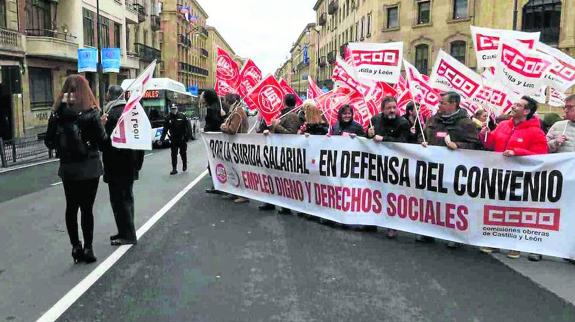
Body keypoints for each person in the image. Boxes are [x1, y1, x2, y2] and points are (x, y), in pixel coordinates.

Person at [44, 74, 106, 264]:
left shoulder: (57, 113)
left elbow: (49, 142)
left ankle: (75, 246)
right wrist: (101, 125)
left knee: (71, 207)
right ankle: (88, 248)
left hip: (68, 168)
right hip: (90, 167)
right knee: (87, 209)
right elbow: (103, 143)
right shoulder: (92, 112)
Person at [479, 96, 548, 260]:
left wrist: (517, 152)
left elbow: (542, 156)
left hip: (520, 179)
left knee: (515, 212)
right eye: (514, 103)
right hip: (498, 175)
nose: (513, 106)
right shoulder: (503, 125)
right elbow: (490, 145)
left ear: (526, 111)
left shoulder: (536, 132)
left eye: (518, 105)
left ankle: (513, 245)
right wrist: (485, 135)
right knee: (496, 208)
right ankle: (494, 241)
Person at [420, 91, 481, 247]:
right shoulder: (433, 119)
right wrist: (423, 141)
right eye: (439, 102)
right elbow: (423, 136)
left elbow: (475, 145)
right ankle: (428, 232)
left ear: (454, 104)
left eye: (443, 103)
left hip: (453, 171)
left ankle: (454, 236)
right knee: (431, 200)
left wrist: (458, 146)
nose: (439, 105)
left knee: (453, 203)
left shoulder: (466, 123)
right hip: (433, 168)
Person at [101, 85, 144, 246]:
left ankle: (128, 235)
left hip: (116, 166)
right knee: (127, 199)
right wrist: (138, 164)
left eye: (106, 93)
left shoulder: (111, 115)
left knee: (119, 201)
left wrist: (101, 126)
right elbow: (140, 140)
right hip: (130, 164)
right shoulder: (132, 112)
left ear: (110, 96)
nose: (105, 96)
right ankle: (124, 231)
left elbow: (105, 143)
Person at [367, 96, 411, 238]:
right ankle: (371, 221)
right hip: (377, 164)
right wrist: (368, 134)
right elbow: (367, 138)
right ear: (382, 110)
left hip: (395, 166)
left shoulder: (403, 123)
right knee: (375, 192)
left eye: (394, 107)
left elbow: (404, 142)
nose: (392, 110)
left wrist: (384, 139)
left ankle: (392, 225)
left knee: (392, 196)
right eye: (389, 108)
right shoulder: (375, 120)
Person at [259, 94, 303, 214]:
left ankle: (286, 206)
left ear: (284, 102)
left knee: (284, 180)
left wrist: (276, 126)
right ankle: (271, 202)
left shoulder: (292, 116)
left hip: (285, 153)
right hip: (277, 151)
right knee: (272, 177)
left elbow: (291, 135)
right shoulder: (283, 114)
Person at [546, 95, 575, 263]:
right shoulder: (558, 126)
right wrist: (554, 143)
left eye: (570, 107)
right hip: (560, 181)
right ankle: (547, 246)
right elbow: (542, 148)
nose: (565, 110)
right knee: (558, 214)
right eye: (565, 107)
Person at [220, 97, 249, 204]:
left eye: (225, 102)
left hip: (237, 145)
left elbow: (232, 130)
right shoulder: (236, 111)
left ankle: (243, 195)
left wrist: (223, 127)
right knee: (233, 169)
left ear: (228, 102)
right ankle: (235, 191)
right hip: (236, 145)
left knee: (238, 169)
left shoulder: (237, 112)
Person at [203, 89, 225, 194]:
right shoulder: (219, 107)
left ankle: (217, 185)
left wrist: (206, 128)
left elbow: (216, 123)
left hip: (213, 139)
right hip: (219, 139)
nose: (202, 98)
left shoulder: (211, 109)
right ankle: (219, 184)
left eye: (204, 96)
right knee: (218, 161)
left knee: (213, 162)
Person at [160, 104, 191, 175]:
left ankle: (184, 165)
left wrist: (187, 137)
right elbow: (165, 130)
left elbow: (188, 127)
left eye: (175, 109)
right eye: (172, 109)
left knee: (183, 153)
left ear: (177, 109)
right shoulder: (168, 118)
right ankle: (174, 169)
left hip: (182, 138)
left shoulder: (182, 116)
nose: (174, 110)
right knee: (173, 154)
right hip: (173, 139)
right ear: (170, 109)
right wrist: (161, 140)